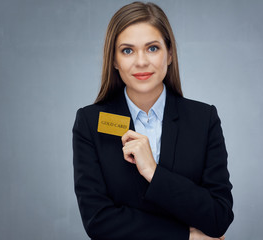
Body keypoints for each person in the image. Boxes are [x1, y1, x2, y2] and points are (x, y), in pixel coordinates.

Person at [72, 2, 233, 240]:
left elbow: (218, 216)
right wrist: (186, 236)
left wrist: (153, 172)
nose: (141, 62)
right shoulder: (90, 122)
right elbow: (98, 220)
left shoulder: (203, 119)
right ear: (114, 60)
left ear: (169, 54)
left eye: (152, 48)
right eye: (127, 50)